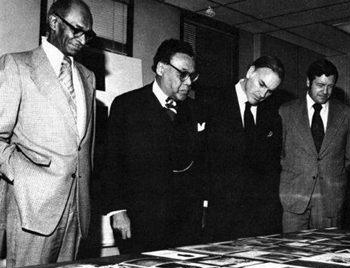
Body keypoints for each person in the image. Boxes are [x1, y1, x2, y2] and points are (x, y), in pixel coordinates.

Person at [0, 0, 96, 267]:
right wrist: (21, 174)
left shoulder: (88, 77)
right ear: (54, 22)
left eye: (87, 34)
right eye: (77, 30)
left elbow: (83, 146)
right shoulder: (17, 65)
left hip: (77, 208)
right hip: (32, 207)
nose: (83, 39)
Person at [102, 38, 204, 253]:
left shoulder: (195, 111)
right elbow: (111, 162)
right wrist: (117, 211)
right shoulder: (127, 105)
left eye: (192, 76)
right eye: (182, 74)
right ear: (160, 68)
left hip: (185, 223)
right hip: (140, 221)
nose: (188, 82)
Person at [204, 56, 285, 242]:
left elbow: (270, 167)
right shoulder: (212, 102)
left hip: (256, 218)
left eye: (270, 91)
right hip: (220, 213)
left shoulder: (272, 115)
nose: (263, 94)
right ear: (250, 72)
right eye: (261, 84)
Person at [279, 59, 350, 233]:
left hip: (330, 198)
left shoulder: (345, 114)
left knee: (327, 253)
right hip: (294, 196)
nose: (325, 91)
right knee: (290, 252)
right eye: (320, 85)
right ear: (308, 82)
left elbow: (347, 157)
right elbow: (279, 154)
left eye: (330, 86)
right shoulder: (286, 111)